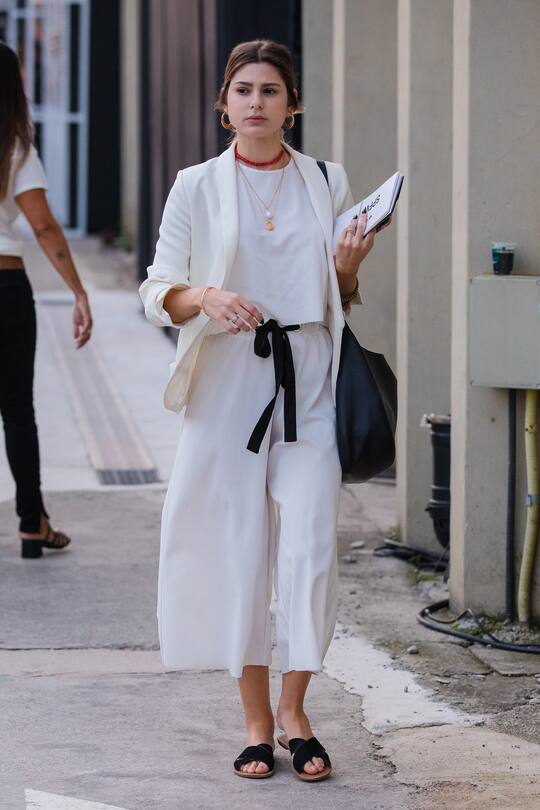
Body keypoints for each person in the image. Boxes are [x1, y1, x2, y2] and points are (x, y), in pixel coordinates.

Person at [139, 39, 387, 782]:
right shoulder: (196, 185)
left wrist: (348, 264)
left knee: (310, 543)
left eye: (271, 90)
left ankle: (295, 710)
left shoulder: (326, 179)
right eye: (243, 90)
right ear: (224, 104)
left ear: (293, 103)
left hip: (307, 374)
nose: (256, 102)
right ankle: (255, 722)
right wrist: (207, 297)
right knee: (241, 550)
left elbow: (336, 295)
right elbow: (158, 288)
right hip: (227, 380)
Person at [0, 41, 92, 559]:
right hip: (5, 286)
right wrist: (77, 291)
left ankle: (37, 520)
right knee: (16, 410)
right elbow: (42, 225)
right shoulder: (14, 146)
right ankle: (32, 524)